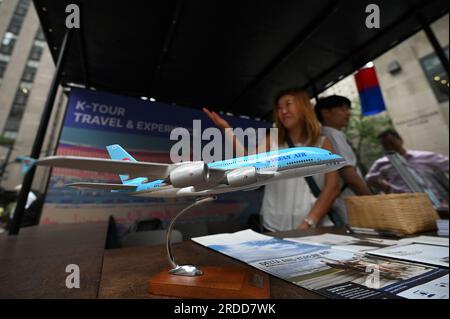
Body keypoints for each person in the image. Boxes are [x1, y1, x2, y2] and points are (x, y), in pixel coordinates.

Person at [204, 88, 340, 231]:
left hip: (313, 227)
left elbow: (333, 186)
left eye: (288, 104)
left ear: (304, 106)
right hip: (274, 225)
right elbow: (249, 166)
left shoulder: (323, 142)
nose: (283, 111)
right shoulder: (272, 140)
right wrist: (227, 130)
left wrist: (309, 222)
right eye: (279, 108)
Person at [314, 95, 372, 224]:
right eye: (342, 109)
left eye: (348, 109)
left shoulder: (328, 134)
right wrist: (372, 201)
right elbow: (349, 175)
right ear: (326, 113)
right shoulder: (332, 135)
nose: (348, 113)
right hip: (348, 204)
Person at [366, 129, 449, 207]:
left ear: (400, 140)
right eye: (385, 145)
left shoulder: (424, 156)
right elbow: (369, 179)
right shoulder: (381, 163)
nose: (389, 147)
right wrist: (387, 188)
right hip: (405, 206)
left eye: (391, 143)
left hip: (434, 202)